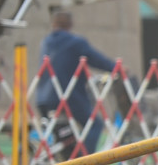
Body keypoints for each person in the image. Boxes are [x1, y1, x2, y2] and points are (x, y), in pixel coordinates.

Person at [35, 10, 116, 155]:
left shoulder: (45, 42)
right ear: (71, 24)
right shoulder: (76, 43)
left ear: (53, 23)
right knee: (94, 125)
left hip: (42, 98)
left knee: (57, 129)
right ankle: (85, 163)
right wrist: (117, 68)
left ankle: (65, 155)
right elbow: (97, 60)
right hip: (67, 96)